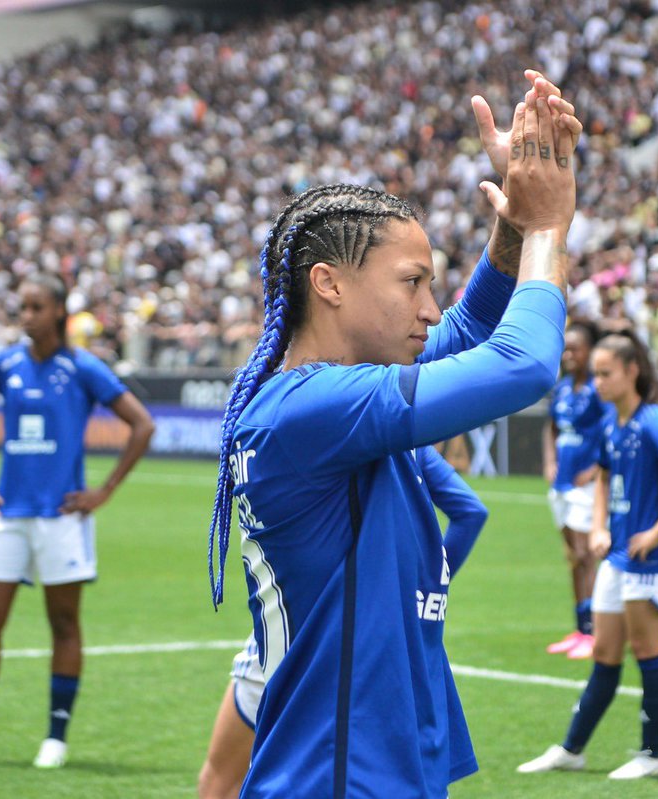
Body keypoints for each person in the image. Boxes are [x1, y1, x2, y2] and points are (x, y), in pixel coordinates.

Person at [205, 72, 581, 798]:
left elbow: (471, 333)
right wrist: (546, 230)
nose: (431, 307)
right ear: (331, 283)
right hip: (340, 780)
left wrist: (510, 224)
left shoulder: (321, 401)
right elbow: (523, 363)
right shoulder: (314, 411)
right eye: (412, 283)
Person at [0, 273, 155, 769]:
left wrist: (103, 492)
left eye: (35, 307)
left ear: (59, 314)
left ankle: (56, 739)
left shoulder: (83, 367)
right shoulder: (5, 364)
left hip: (61, 518)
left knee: (64, 623)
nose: (26, 317)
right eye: (22, 307)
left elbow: (142, 424)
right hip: (7, 514)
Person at [198, 445, 489, 799]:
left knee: (221, 783)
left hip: (297, 633)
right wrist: (416, 591)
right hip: (384, 647)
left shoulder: (325, 419)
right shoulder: (405, 440)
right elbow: (470, 511)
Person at [518, 331, 658, 781]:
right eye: (598, 373)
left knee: (646, 650)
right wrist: (601, 526)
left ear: (632, 371)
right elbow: (603, 477)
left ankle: (651, 754)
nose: (598, 381)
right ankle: (572, 748)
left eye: (607, 373)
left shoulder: (653, 421)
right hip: (618, 557)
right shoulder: (612, 422)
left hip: (651, 559)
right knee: (604, 654)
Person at [541, 318, 604, 659]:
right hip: (562, 483)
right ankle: (580, 628)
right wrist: (550, 461)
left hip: (586, 486)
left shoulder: (598, 389)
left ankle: (594, 631)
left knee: (585, 555)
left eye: (576, 349)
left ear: (590, 352)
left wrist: (596, 469)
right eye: (566, 349)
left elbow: (612, 429)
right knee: (572, 558)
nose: (568, 355)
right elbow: (550, 428)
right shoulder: (563, 388)